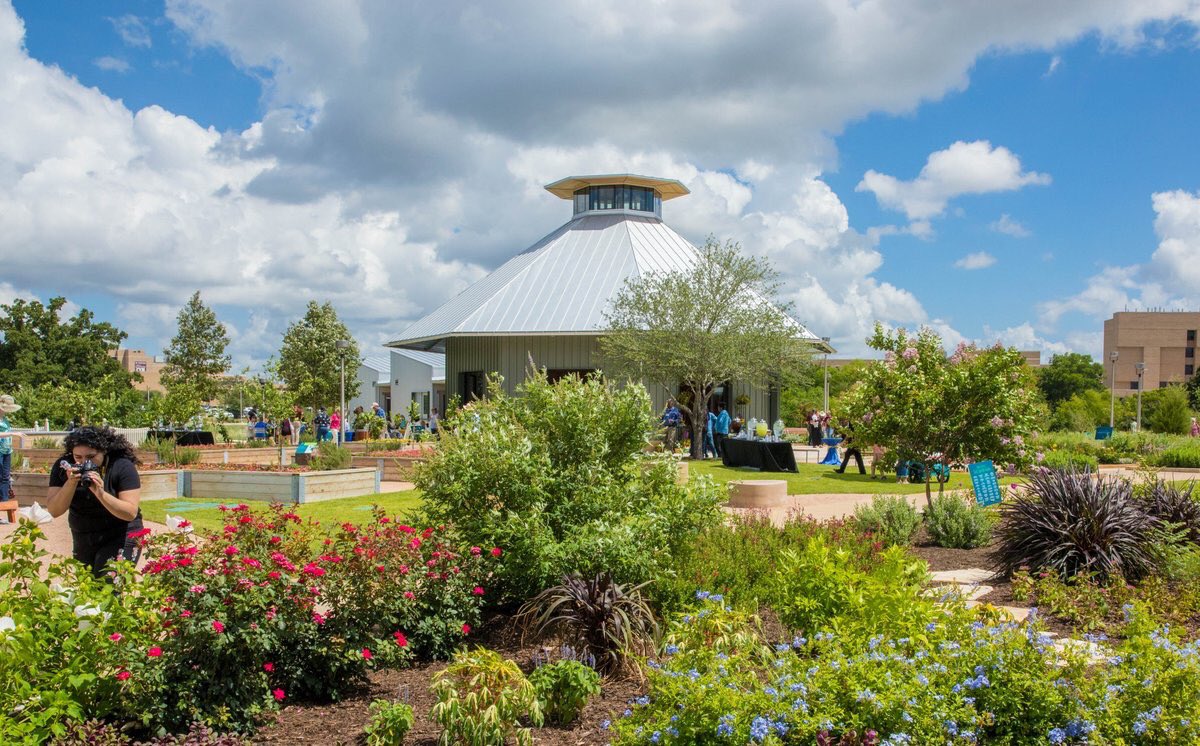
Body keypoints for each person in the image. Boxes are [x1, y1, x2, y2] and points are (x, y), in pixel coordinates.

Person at [46, 426, 144, 577]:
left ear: (104, 451)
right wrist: (71, 483)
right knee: (87, 587)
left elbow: (130, 513)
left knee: (108, 586)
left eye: (91, 457)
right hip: (84, 534)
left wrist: (99, 492)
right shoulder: (63, 466)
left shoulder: (121, 466)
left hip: (121, 532)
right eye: (78, 457)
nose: (84, 462)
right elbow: (54, 510)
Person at [0, 394, 22, 509]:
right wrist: (13, 433)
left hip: (7, 450)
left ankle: (4, 503)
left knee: (5, 477)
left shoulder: (4, 418)